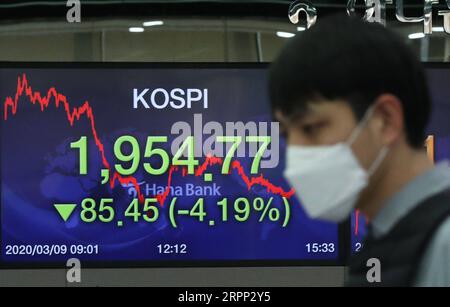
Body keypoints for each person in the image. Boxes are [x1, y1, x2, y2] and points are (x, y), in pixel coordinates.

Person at [269, 14, 450, 287]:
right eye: (286, 135)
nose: (295, 153)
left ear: (385, 120)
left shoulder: (443, 246)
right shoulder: (386, 241)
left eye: (311, 128)